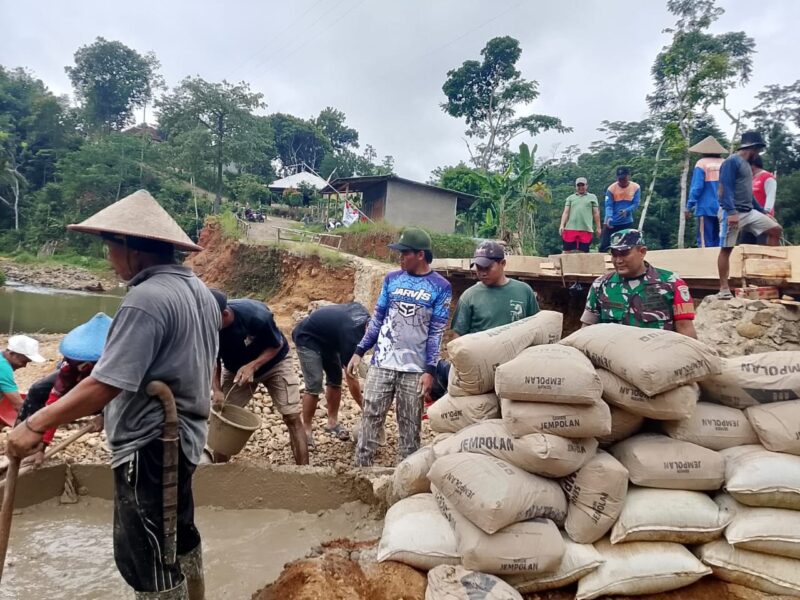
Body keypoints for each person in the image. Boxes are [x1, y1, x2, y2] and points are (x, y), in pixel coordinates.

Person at [6, 189, 220, 600]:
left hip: (150, 446)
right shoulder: (199, 291)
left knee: (145, 557)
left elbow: (106, 382)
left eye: (110, 248)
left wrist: (35, 425)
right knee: (178, 536)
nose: (108, 258)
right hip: (187, 440)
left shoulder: (146, 299)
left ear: (132, 249)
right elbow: (167, 366)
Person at [347, 228, 451, 467]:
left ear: (421, 255)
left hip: (414, 370)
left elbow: (436, 332)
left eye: (405, 253)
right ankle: (360, 471)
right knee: (370, 417)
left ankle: (406, 480)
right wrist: (360, 351)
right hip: (382, 363)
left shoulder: (440, 287)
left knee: (410, 426)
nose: (400, 257)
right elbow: (378, 318)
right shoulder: (392, 279)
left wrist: (430, 370)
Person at [213, 293, 309, 465]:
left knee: (292, 416)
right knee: (224, 418)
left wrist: (253, 365)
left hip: (274, 363)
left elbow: (277, 344)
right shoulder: (208, 325)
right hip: (236, 368)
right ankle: (217, 471)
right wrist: (217, 391)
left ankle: (305, 472)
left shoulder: (257, 316)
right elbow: (212, 360)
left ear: (225, 314)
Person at [15, 313, 112, 466]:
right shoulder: (72, 364)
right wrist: (42, 445)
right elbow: (55, 400)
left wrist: (106, 415)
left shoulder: (121, 361)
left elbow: (126, 391)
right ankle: (24, 445)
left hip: (119, 391)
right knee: (38, 390)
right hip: (87, 386)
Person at [581, 229, 697, 338]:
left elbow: (685, 329)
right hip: (613, 356)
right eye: (614, 255)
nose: (618, 260)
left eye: (624, 254)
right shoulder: (601, 285)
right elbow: (587, 328)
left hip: (657, 355)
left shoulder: (671, 283)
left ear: (642, 252)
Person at [292, 302, 370, 447]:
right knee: (314, 383)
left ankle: (332, 423)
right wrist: (365, 406)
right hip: (307, 337)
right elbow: (351, 376)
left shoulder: (364, 316)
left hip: (329, 340)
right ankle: (306, 429)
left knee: (335, 379)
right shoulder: (352, 334)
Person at [717, 131, 783, 299]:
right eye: (758, 150)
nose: (759, 154)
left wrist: (763, 212)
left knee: (775, 229)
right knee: (727, 248)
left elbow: (749, 194)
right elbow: (724, 188)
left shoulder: (746, 165)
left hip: (749, 210)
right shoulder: (732, 162)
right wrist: (731, 212)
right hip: (732, 212)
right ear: (752, 148)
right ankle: (724, 287)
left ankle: (767, 272)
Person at [451, 241, 539, 336]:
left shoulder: (524, 291)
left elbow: (536, 327)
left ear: (503, 263)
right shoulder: (469, 296)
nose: (483, 273)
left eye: (487, 267)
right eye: (479, 268)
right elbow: (458, 337)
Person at [685, 136, 726, 248]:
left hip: (705, 207)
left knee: (705, 241)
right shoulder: (726, 163)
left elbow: (697, 187)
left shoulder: (701, 163)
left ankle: (705, 263)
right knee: (721, 240)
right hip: (724, 207)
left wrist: (689, 206)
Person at [0, 335, 45, 413]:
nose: (24, 366)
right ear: (12, 353)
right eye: (24, 361)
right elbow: (18, 404)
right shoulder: (3, 367)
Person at [600, 166, 641, 252]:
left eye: (624, 178)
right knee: (604, 246)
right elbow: (608, 205)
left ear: (628, 176)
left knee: (627, 247)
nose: (622, 181)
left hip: (626, 222)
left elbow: (635, 204)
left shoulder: (636, 187)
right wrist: (609, 217)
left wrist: (627, 210)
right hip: (611, 222)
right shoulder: (611, 189)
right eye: (620, 179)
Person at [559, 177, 601, 253]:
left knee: (583, 252)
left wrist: (598, 227)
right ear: (576, 186)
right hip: (571, 228)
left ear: (586, 186)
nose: (581, 187)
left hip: (586, 228)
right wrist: (562, 225)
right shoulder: (570, 198)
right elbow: (566, 212)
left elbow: (596, 213)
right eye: (579, 186)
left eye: (583, 185)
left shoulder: (592, 197)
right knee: (567, 251)